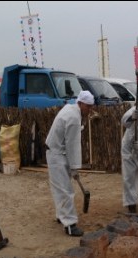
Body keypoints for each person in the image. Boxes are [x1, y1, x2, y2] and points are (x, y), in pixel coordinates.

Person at [45, 90, 94, 237]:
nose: (90, 110)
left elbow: (68, 134)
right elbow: (72, 145)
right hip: (57, 154)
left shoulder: (70, 109)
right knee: (66, 190)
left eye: (91, 106)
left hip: (55, 151)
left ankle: (61, 216)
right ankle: (70, 225)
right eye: (88, 106)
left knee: (59, 188)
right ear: (80, 103)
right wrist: (74, 168)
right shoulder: (73, 117)